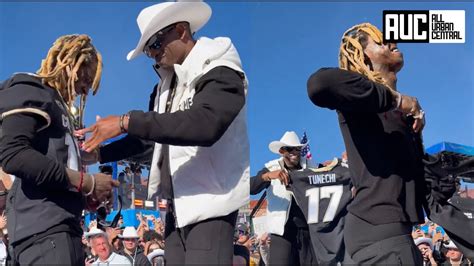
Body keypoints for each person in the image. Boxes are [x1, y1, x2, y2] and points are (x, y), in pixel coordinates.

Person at [76, 2, 249, 264]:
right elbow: (151, 143)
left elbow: (205, 124)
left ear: (181, 30)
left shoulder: (220, 68)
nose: (153, 55)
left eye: (155, 45)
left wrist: (125, 121)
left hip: (212, 201)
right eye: (147, 51)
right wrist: (98, 153)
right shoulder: (163, 89)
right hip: (178, 205)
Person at [307, 23, 427, 264]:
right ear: (363, 55)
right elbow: (319, 84)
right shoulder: (359, 100)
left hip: (396, 232)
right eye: (381, 42)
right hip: (379, 230)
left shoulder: (403, 115)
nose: (393, 44)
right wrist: (397, 99)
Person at [0, 34, 119, 265]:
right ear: (70, 63)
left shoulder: (59, 106)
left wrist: (90, 195)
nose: (85, 90)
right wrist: (88, 182)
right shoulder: (32, 88)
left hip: (61, 229)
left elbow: (56, 175)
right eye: (86, 77)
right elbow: (13, 154)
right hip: (43, 232)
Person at [250, 131, 315, 265]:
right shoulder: (271, 168)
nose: (294, 152)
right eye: (290, 148)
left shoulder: (312, 167)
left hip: (308, 230)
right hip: (281, 232)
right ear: (281, 151)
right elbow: (251, 187)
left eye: (298, 148)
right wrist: (267, 176)